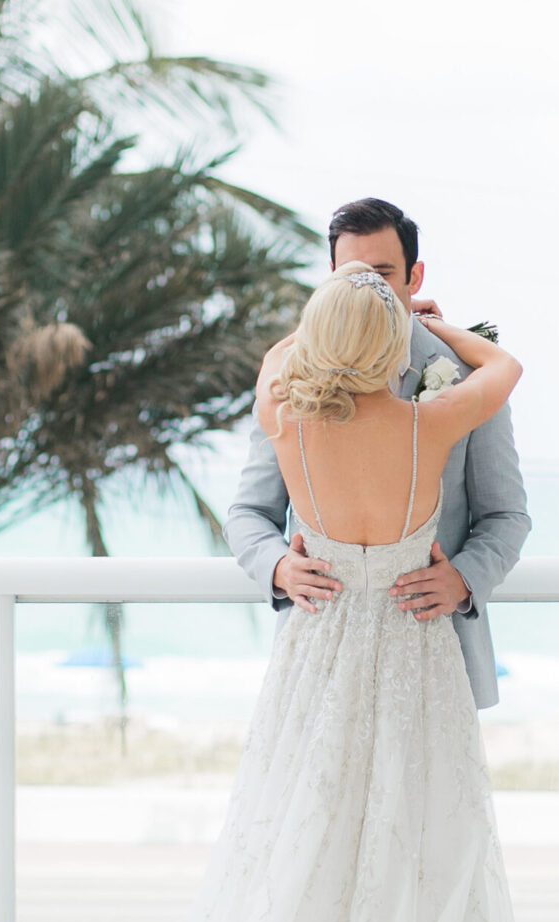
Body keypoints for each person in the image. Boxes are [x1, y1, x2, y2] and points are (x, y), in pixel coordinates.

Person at [0, 260, 559, 922]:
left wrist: (331, 323)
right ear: (392, 346)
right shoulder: (423, 423)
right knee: (412, 854)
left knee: (302, 848)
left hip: (316, 656)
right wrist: (438, 327)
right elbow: (506, 368)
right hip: (407, 652)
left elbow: (281, 361)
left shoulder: (285, 413)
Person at [225, 197, 530, 709]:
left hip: (434, 657)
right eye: (349, 277)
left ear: (415, 277)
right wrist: (277, 567)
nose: (367, 293)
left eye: (382, 275)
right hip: (320, 660)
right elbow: (248, 512)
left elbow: (506, 514)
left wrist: (464, 579)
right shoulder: (297, 388)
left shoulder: (459, 373)